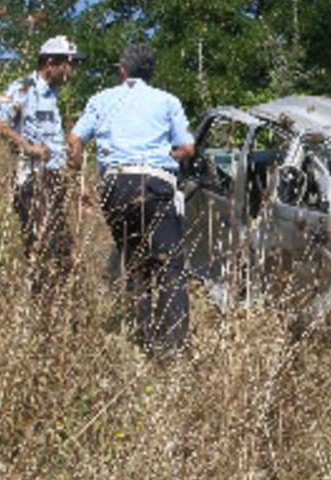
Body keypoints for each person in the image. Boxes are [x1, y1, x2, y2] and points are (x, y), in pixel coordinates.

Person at [67, 43, 195, 356]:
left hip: (114, 185)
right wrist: (168, 155)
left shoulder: (101, 100)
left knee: (135, 260)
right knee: (169, 265)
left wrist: (81, 182)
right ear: (149, 72)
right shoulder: (167, 101)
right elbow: (188, 149)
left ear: (122, 71)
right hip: (154, 183)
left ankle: (145, 339)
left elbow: (75, 139)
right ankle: (173, 350)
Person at [0, 35, 83, 293]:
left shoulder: (53, 95)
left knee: (63, 250)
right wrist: (27, 147)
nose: (72, 70)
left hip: (53, 179)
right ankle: (39, 304)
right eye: (69, 63)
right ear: (50, 62)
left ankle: (53, 308)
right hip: (33, 178)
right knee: (42, 246)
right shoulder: (25, 87)